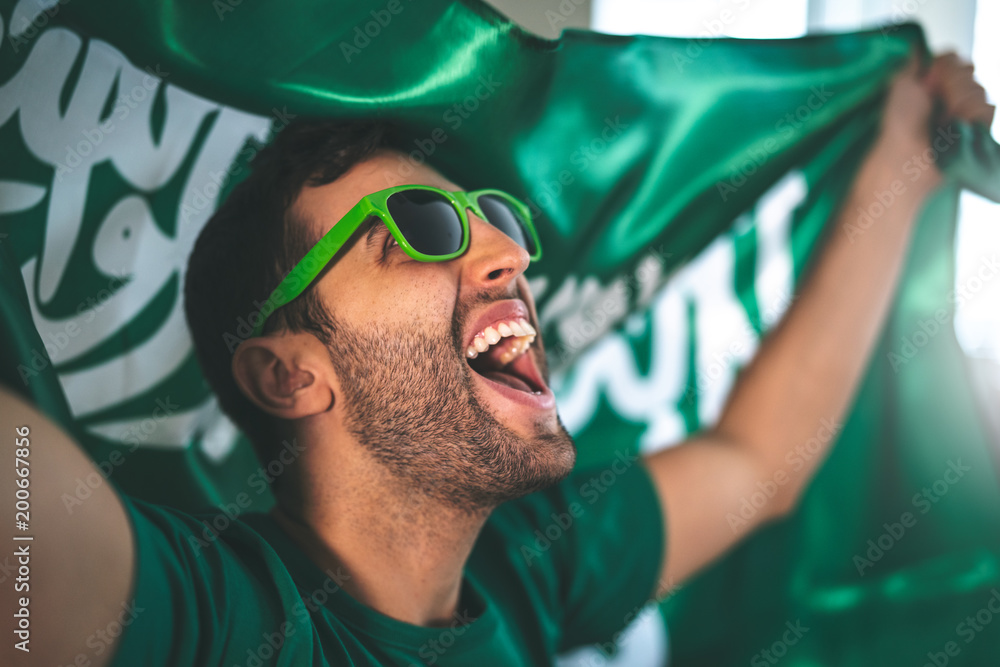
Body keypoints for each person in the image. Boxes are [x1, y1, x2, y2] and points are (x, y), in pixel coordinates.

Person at [1, 53, 993, 666]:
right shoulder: (218, 623)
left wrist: (903, 160)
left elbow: (758, 462)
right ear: (290, 374)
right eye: (422, 227)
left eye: (498, 219)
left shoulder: (527, 566)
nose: (512, 254)